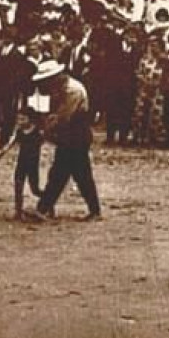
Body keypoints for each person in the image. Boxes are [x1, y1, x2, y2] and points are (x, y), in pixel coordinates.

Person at [32, 61, 102, 221]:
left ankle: (44, 207)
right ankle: (45, 207)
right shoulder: (62, 88)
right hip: (70, 134)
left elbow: (63, 117)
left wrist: (45, 130)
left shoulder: (72, 90)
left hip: (76, 134)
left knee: (66, 173)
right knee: (70, 173)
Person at [0, 108, 44, 221]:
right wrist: (0, 156)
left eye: (23, 119)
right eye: (19, 119)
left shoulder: (37, 132)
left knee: (35, 188)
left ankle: (47, 202)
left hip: (32, 163)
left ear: (30, 120)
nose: (20, 121)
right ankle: (18, 211)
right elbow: (10, 144)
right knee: (18, 186)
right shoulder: (19, 132)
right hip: (22, 161)